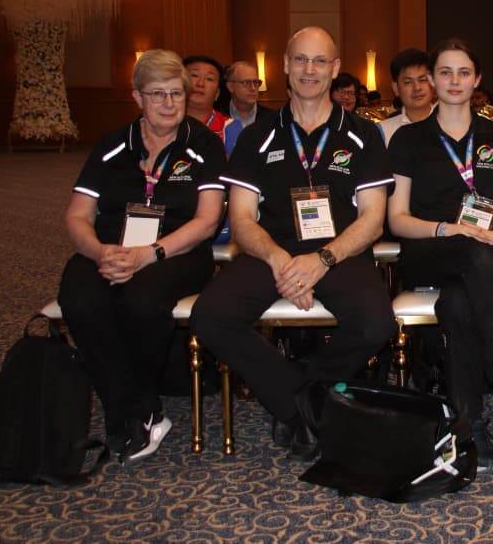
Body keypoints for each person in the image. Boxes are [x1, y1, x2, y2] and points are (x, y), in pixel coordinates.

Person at [190, 27, 396, 459]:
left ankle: (305, 394)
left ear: (335, 69)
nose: (309, 70)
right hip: (272, 249)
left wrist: (321, 259)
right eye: (300, 59)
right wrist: (280, 259)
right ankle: (298, 403)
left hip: (341, 251)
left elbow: (373, 219)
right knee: (210, 315)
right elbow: (241, 217)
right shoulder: (256, 136)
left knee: (376, 324)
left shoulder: (364, 134)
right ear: (285, 65)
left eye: (320, 61)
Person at [387, 39, 493, 470]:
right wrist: (447, 228)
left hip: (487, 251)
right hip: (431, 249)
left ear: (477, 79)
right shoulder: (409, 139)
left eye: (464, 72)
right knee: (475, 258)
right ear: (432, 79)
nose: (454, 81)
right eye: (445, 72)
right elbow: (397, 219)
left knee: (460, 304)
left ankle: (470, 424)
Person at [57, 50, 226, 463]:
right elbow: (78, 216)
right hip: (110, 247)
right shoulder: (111, 146)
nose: (169, 103)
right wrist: (100, 251)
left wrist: (150, 254)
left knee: (141, 300)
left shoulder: (205, 145)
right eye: (157, 94)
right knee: (79, 299)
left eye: (176, 94)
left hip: (178, 250)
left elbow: (207, 221)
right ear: (137, 97)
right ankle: (135, 407)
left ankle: (131, 411)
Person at [378, 48, 435, 146]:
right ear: (396, 88)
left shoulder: (453, 125)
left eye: (422, 80)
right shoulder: (383, 132)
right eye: (408, 82)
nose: (417, 88)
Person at [222, 60, 274, 155]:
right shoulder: (218, 116)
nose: (253, 88)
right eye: (246, 83)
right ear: (230, 86)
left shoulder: (272, 119)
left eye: (256, 82)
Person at [183, 55, 232, 142]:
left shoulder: (230, 127)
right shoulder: (166, 122)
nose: (200, 84)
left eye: (209, 79)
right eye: (194, 75)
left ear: (217, 93)